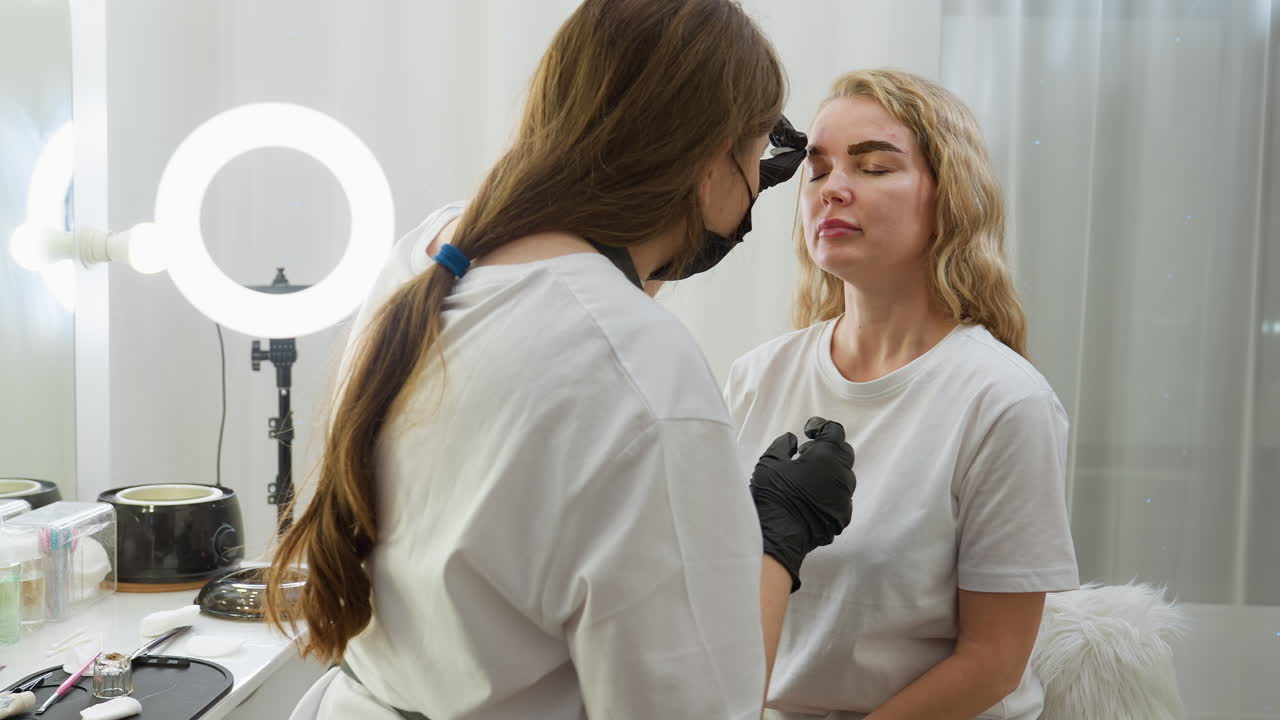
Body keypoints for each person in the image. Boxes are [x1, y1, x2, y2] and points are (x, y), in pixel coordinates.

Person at [264, 2, 856, 719]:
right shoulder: (644, 373)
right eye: (762, 156)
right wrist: (775, 541)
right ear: (707, 162)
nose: (768, 185)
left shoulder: (435, 252)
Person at [724, 69, 1079, 720]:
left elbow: (992, 664)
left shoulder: (1004, 402)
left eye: (875, 167)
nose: (833, 190)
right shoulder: (756, 378)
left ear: (948, 197)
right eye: (819, 170)